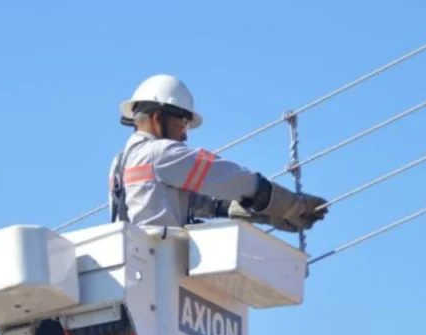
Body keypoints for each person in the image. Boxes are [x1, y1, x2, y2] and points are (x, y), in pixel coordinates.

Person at [109, 74, 329, 232]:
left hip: (134, 275)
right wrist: (288, 204)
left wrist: (263, 214)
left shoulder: (120, 163)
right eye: (183, 124)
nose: (185, 136)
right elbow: (228, 177)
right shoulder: (160, 154)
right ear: (158, 118)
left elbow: (193, 201)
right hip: (159, 267)